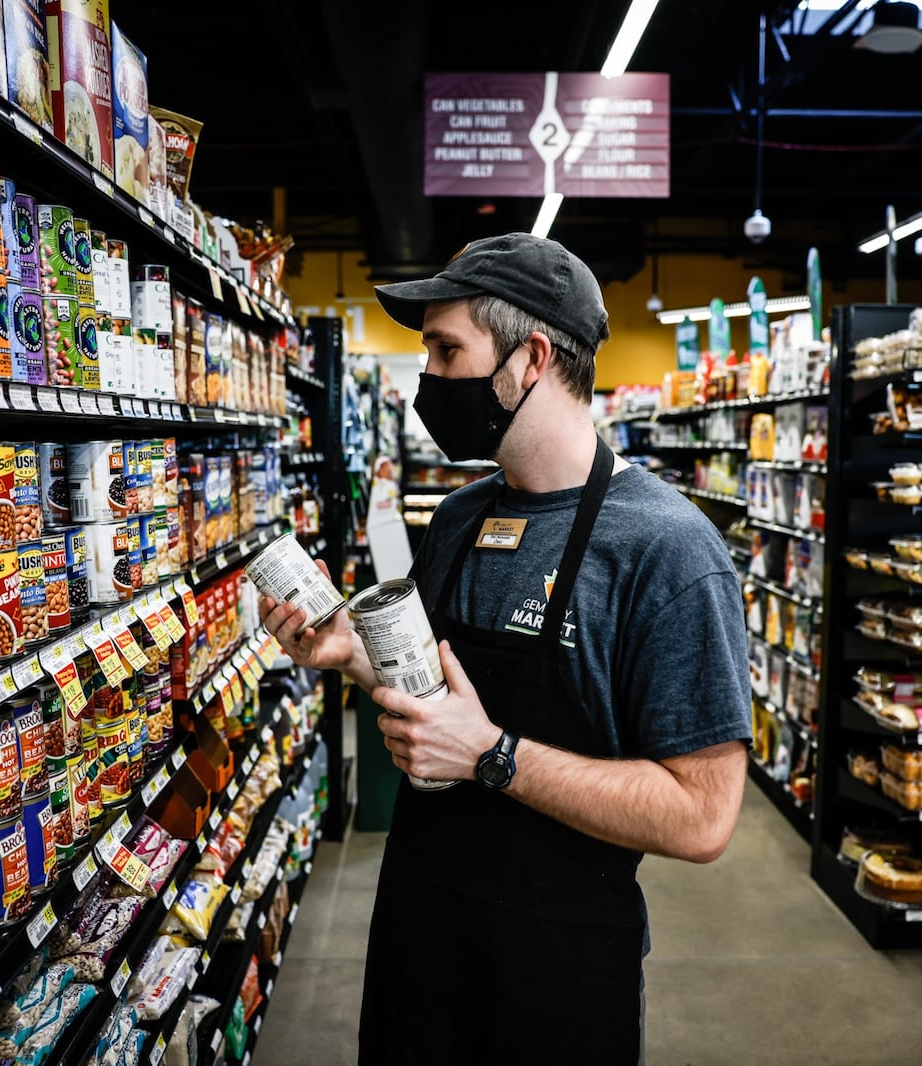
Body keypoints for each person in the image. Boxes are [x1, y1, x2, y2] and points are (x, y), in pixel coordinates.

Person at [258, 233, 750, 1065]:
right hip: (420, 934)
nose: (431, 382)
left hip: (555, 970)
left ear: (531, 358)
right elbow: (440, 693)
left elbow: (703, 816)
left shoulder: (668, 552)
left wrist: (495, 756)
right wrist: (349, 652)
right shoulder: (457, 519)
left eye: (449, 351)